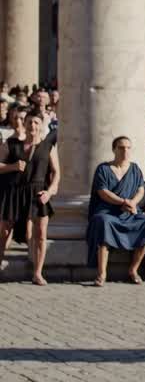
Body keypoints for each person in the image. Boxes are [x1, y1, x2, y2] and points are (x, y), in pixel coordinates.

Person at [87, 136, 145, 285]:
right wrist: (122, 201)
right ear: (113, 149)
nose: (125, 151)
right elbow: (102, 192)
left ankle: (133, 269)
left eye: (128, 148)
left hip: (129, 212)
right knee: (103, 223)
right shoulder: (103, 169)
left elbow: (140, 190)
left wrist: (132, 203)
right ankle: (102, 273)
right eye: (121, 147)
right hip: (107, 211)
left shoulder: (135, 169)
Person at [0, 112, 59, 284]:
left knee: (40, 234)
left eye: (36, 122)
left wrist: (50, 192)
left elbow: (56, 173)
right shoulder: (11, 144)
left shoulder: (48, 146)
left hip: (38, 193)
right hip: (14, 192)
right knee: (3, 232)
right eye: (29, 122)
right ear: (24, 125)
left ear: (41, 126)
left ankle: (37, 273)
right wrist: (12, 166)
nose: (32, 125)